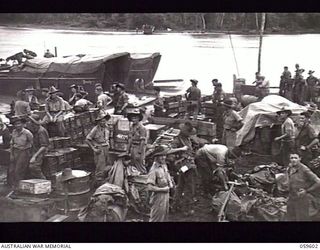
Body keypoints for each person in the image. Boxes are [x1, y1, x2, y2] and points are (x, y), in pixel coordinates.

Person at [171, 122, 197, 216]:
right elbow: (171, 151)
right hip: (185, 166)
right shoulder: (177, 140)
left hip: (186, 165)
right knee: (189, 187)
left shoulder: (187, 139)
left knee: (181, 185)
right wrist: (181, 150)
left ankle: (175, 205)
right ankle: (186, 208)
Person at [286, 152, 320, 221]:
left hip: (302, 198)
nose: (293, 160)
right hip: (291, 197)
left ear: (300, 159)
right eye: (291, 158)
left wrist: (307, 190)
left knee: (301, 219)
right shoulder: (290, 168)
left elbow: (318, 181)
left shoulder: (304, 169)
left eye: (295, 158)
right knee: (290, 218)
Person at [147, 145, 174, 222]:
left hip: (166, 196)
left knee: (164, 217)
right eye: (161, 156)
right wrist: (163, 189)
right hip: (158, 197)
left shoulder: (164, 165)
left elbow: (167, 175)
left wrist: (170, 183)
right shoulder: (153, 170)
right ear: (156, 157)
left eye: (164, 155)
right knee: (156, 218)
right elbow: (149, 187)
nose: (163, 157)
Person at [85, 110, 111, 183]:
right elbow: (87, 139)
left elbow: (108, 137)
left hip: (106, 147)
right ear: (98, 121)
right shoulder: (95, 129)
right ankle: (98, 182)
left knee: (107, 164)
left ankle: (104, 180)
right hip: (99, 148)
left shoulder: (107, 127)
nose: (103, 122)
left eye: (104, 121)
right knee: (100, 166)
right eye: (101, 121)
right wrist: (94, 149)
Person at [8, 116, 33, 188]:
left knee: (18, 170)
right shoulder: (14, 132)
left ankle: (18, 186)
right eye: (15, 124)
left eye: (19, 123)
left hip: (24, 152)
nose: (17, 125)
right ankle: (12, 185)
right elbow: (12, 143)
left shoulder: (27, 133)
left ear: (22, 124)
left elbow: (31, 143)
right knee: (11, 170)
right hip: (15, 151)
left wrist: (28, 153)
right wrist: (12, 154)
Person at [27, 114, 49, 179]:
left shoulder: (41, 131)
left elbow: (44, 146)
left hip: (41, 151)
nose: (29, 123)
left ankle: (43, 181)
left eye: (31, 122)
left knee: (33, 166)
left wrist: (34, 156)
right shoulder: (32, 129)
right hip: (33, 149)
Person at [127, 108, 148, 174]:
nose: (134, 120)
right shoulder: (132, 127)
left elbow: (142, 141)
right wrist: (128, 150)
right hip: (133, 147)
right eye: (133, 118)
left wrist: (139, 152)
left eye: (135, 118)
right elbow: (130, 139)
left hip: (139, 147)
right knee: (133, 163)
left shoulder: (142, 128)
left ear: (139, 118)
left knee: (140, 163)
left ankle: (144, 177)